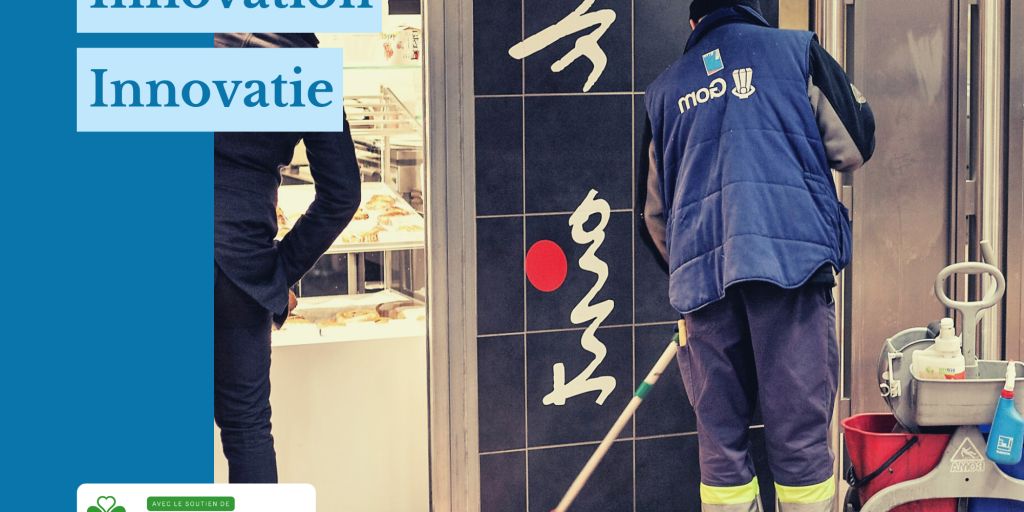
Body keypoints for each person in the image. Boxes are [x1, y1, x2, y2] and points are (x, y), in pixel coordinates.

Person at [639, 1, 875, 511]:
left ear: (693, 24)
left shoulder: (663, 92)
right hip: (790, 273)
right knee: (800, 440)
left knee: (721, 447)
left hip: (703, 287)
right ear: (753, 12)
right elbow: (856, 144)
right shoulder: (796, 52)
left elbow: (653, 214)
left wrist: (694, 270)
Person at [213, 33, 361, 483]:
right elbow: (342, 194)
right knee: (246, 428)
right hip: (240, 267)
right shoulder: (304, 67)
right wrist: (278, 272)